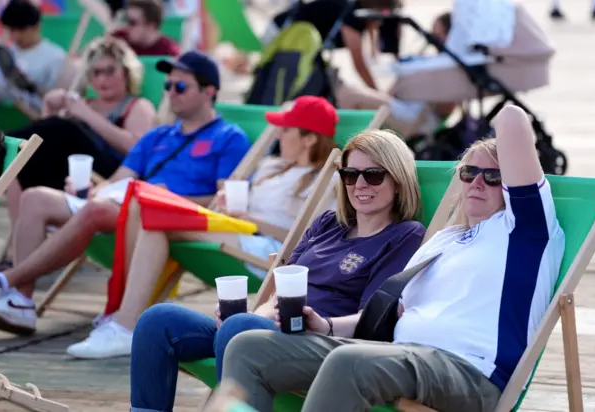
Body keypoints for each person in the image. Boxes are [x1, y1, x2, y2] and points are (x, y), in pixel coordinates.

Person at [221, 104, 566, 412]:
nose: (477, 182)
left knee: (349, 361)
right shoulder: (444, 240)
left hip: (468, 370)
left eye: (493, 177)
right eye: (468, 173)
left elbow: (512, 119)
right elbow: (390, 314)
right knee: (247, 347)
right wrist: (325, 326)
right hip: (397, 354)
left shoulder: (525, 233)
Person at [128, 129, 427, 412]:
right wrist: (250, 317)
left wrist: (325, 325)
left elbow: (374, 317)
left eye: (372, 175)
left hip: (325, 342)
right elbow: (282, 288)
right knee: (158, 321)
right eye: (350, 174)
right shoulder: (327, 224)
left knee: (238, 330)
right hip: (272, 328)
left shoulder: (404, 235)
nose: (359, 185)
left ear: (398, 179)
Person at [65, 95, 342, 359]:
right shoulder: (273, 167)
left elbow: (307, 240)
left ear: (309, 138)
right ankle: (125, 317)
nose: (277, 134)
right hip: (237, 232)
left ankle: (124, 324)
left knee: (153, 214)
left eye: (285, 128)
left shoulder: (326, 181)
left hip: (267, 249)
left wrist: (249, 219)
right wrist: (226, 205)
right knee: (148, 215)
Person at [0, 51, 251, 336]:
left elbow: (224, 199)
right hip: (127, 204)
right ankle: (21, 301)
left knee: (97, 210)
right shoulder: (157, 136)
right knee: (36, 197)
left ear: (209, 91)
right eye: (168, 87)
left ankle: (6, 280)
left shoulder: (229, 137)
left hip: (168, 214)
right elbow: (119, 180)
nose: (171, 93)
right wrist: (90, 189)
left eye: (180, 87)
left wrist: (170, 199)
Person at [0, 36, 156, 270]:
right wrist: (49, 110)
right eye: (96, 73)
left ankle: (1, 149)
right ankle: (23, 262)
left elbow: (138, 150)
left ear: (126, 72)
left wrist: (86, 115)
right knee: (22, 163)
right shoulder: (85, 104)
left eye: (109, 71)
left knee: (66, 128)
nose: (102, 79)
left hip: (113, 178)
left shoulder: (137, 106)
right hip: (72, 178)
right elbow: (46, 147)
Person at [225, 0, 401, 89]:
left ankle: (239, 65)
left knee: (271, 71)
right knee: (269, 73)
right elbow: (359, 62)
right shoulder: (353, 15)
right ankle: (238, 65)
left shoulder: (357, 10)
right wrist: (377, 92)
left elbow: (371, 36)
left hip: (289, 28)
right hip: (283, 30)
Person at [337, 12, 457, 138]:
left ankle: (343, 147)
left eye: (437, 35)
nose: (432, 41)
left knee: (349, 94)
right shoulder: (435, 62)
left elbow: (446, 109)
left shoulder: (448, 66)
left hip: (414, 116)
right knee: (347, 92)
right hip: (402, 106)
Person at [0, 0, 66, 111]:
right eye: (12, 30)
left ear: (37, 27)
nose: (16, 36)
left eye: (22, 30)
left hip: (35, 119)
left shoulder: (55, 57)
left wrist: (31, 87)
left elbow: (59, 101)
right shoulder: (4, 54)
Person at [111, 0, 180, 57]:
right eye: (126, 20)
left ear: (151, 26)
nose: (127, 26)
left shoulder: (169, 52)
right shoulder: (117, 40)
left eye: (132, 22)